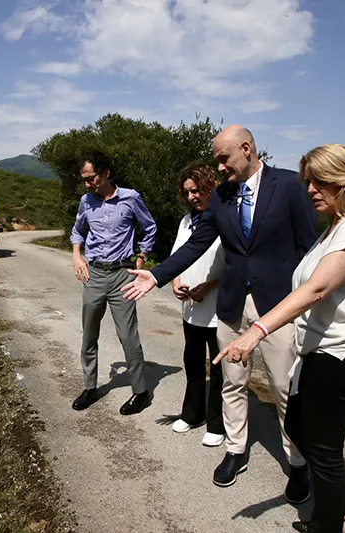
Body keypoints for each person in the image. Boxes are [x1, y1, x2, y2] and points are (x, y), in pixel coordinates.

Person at [121, 125, 318, 502]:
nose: (220, 166)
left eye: (223, 158)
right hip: (230, 305)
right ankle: (235, 450)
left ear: (246, 149)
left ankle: (297, 464)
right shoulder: (221, 198)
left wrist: (310, 301)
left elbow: (308, 247)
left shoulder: (290, 186)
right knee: (231, 381)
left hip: (276, 305)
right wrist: (158, 274)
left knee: (282, 387)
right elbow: (198, 242)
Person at [216, 144, 345, 533]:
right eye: (307, 180)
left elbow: (316, 289)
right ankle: (340, 514)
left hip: (344, 352)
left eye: (320, 181)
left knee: (324, 451)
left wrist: (256, 332)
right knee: (299, 426)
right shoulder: (334, 228)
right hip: (320, 348)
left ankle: (332, 525)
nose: (310, 189)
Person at [70, 150, 157, 415]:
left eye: (91, 178)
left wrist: (142, 255)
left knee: (128, 336)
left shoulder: (131, 198)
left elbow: (149, 227)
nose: (87, 184)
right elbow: (78, 231)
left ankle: (141, 393)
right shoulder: (86, 201)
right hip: (94, 275)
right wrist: (77, 255)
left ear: (106, 173)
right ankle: (90, 387)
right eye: (84, 179)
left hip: (122, 275)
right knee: (89, 335)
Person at [169, 163, 226, 447]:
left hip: (218, 309)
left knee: (218, 369)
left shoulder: (225, 220)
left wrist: (209, 285)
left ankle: (217, 424)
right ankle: (192, 414)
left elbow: (236, 264)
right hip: (191, 309)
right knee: (192, 362)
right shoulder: (185, 222)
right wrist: (175, 282)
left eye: (197, 190)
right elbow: (177, 256)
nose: (193, 196)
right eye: (188, 192)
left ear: (210, 187)